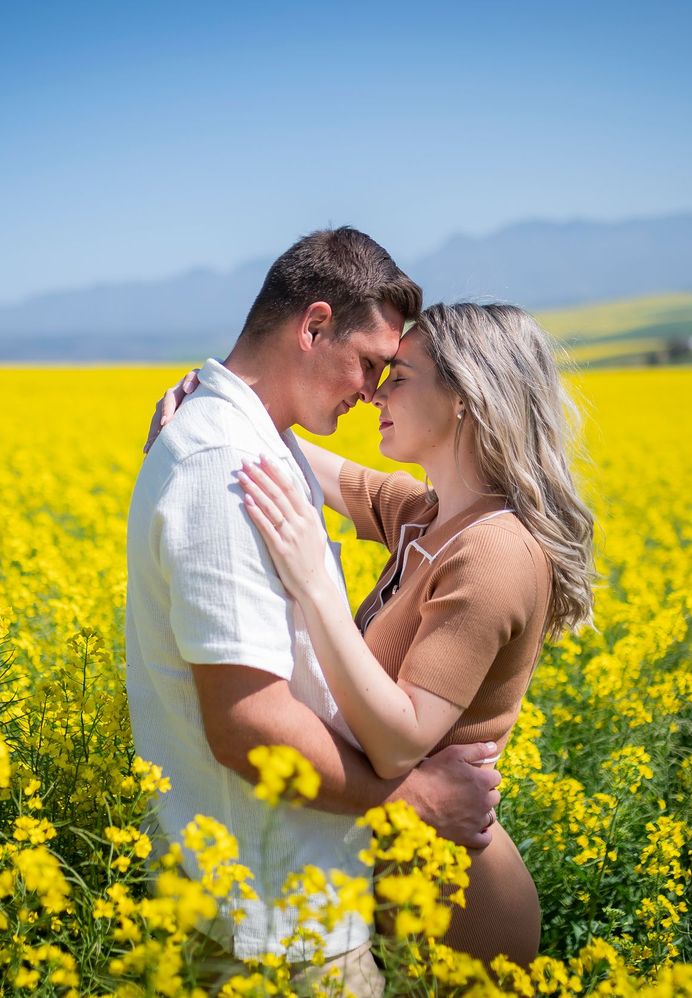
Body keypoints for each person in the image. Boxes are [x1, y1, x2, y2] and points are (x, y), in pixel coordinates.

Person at [154, 301, 596, 967]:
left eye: (400, 378)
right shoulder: (426, 515)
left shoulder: (496, 552)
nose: (374, 394)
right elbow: (291, 458)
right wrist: (216, 410)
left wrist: (315, 582)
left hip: (460, 901)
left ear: (464, 401)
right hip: (387, 870)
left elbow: (399, 741)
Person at [125, 228, 503, 996]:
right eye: (370, 364)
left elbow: (375, 494)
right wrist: (417, 800)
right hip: (270, 935)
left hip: (290, 909)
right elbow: (250, 723)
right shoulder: (222, 467)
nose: (373, 391)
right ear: (313, 326)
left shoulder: (256, 443)